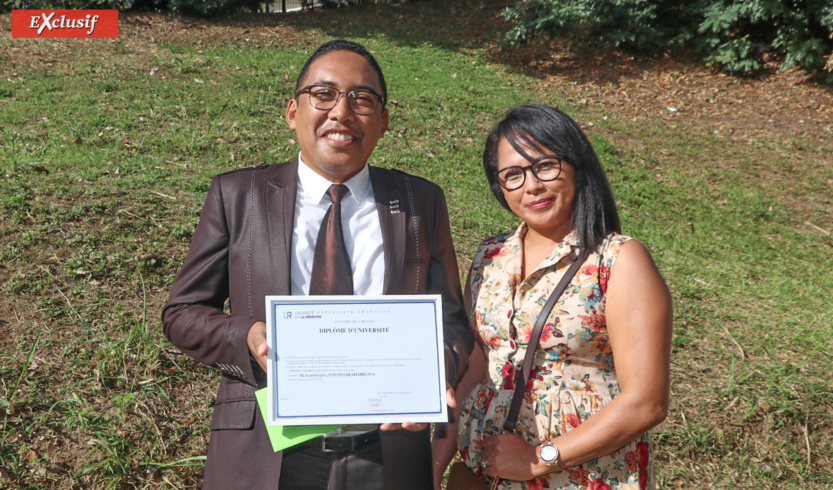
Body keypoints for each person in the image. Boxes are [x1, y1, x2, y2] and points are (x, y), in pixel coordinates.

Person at [162, 39, 473, 490]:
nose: (342, 113)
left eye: (362, 99)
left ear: (384, 122)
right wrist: (246, 335)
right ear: (293, 111)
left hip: (385, 457)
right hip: (266, 456)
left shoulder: (418, 201)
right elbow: (181, 314)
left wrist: (432, 371)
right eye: (323, 94)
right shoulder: (238, 196)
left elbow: (452, 323)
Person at [433, 104, 672, 489]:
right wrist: (437, 461)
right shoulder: (490, 256)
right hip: (484, 471)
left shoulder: (619, 261)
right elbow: (478, 363)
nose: (532, 186)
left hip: (580, 477)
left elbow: (646, 402)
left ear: (576, 165)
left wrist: (539, 459)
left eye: (545, 166)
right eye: (512, 175)